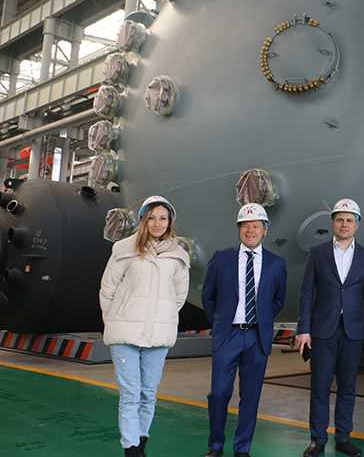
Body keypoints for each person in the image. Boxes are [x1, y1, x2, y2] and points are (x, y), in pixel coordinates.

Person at [99, 195, 190, 457]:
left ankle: (141, 441)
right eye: (151, 218)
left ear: (170, 222)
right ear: (143, 220)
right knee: (130, 395)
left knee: (148, 393)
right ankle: (131, 448)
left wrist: (162, 317)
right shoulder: (124, 249)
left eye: (163, 218)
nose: (157, 223)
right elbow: (107, 290)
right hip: (124, 333)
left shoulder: (178, 256)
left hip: (158, 335)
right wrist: (115, 318)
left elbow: (178, 297)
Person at [202, 203, 288, 457]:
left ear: (265, 230)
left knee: (250, 395)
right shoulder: (221, 258)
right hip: (227, 335)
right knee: (219, 393)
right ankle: (215, 446)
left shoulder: (276, 263)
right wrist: (220, 322)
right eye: (245, 226)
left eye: (255, 226)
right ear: (239, 229)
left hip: (257, 337)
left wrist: (262, 320)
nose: (250, 230)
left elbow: (278, 300)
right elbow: (208, 296)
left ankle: (242, 448)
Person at [295, 199, 364, 457]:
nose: (344, 224)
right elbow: (306, 292)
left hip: (352, 331)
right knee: (320, 387)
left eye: (349, 220)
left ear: (357, 224)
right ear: (333, 223)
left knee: (347, 387)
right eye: (340, 219)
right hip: (322, 330)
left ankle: (343, 438)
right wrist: (303, 328)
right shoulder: (317, 253)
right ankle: (318, 439)